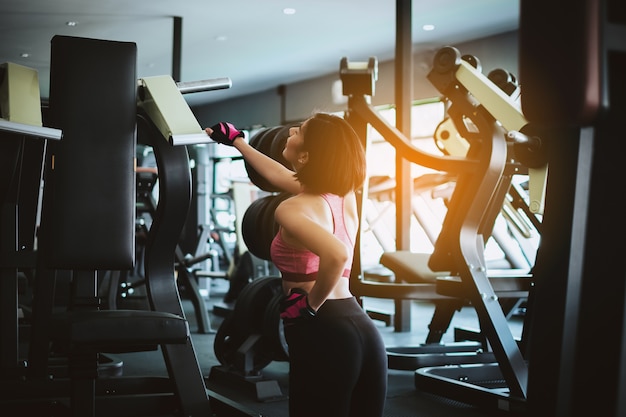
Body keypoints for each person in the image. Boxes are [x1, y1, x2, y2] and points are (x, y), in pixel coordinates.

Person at [205, 113, 387, 417]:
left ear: (305, 156)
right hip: (361, 326)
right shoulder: (343, 196)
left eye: (299, 131)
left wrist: (308, 308)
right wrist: (238, 142)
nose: (290, 130)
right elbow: (279, 175)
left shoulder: (291, 209)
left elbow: (337, 255)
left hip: (324, 329)